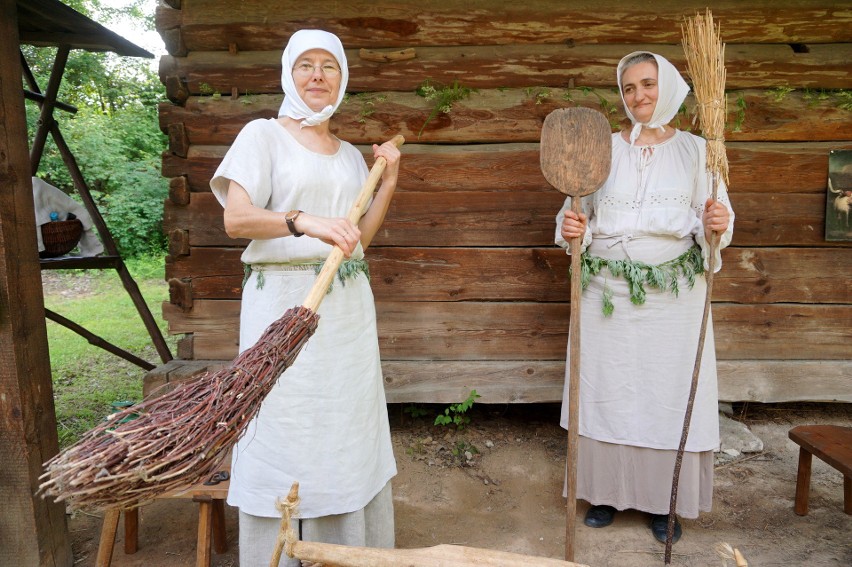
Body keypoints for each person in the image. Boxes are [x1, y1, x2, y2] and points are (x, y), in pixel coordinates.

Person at [210, 30, 400, 566]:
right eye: (305, 66)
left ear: (342, 78)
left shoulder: (346, 156)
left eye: (329, 66)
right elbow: (236, 218)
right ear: (288, 75)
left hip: (345, 310)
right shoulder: (262, 136)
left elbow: (358, 239)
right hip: (283, 304)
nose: (318, 76)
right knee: (285, 423)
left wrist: (386, 182)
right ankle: (281, 553)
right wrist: (302, 221)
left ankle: (348, 550)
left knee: (344, 422)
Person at [555, 51, 734, 544]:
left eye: (648, 84)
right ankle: (607, 493)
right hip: (605, 293)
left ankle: (665, 502)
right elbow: (575, 213)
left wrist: (718, 226)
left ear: (669, 87)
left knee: (667, 394)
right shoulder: (600, 148)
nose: (639, 96)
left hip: (673, 297)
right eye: (629, 88)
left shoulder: (700, 152)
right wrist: (573, 229)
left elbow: (718, 219)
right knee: (605, 389)